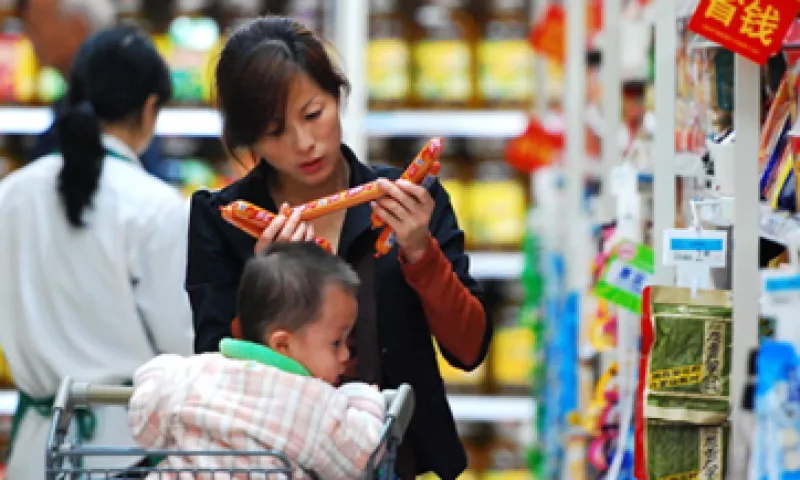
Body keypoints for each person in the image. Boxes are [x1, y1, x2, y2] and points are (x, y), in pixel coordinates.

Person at [186, 16, 491, 479]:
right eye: (274, 131)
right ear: (248, 139)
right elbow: (214, 371)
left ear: (338, 96)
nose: (305, 143)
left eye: (314, 114)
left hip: (400, 461)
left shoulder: (410, 197)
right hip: (271, 465)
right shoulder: (225, 219)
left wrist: (420, 253)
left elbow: (468, 351)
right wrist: (269, 281)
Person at [0, 25, 193, 478]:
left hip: (34, 450)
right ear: (150, 109)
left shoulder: (10, 196)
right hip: (128, 450)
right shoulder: (156, 207)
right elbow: (181, 348)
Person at [130, 242, 387, 479]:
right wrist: (362, 397)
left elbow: (144, 425)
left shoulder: (193, 372)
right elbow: (360, 456)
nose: (345, 356)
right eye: (336, 343)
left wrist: (163, 372)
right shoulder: (312, 403)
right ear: (282, 345)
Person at [16, 0, 169, 179]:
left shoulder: (118, 110)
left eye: (37, 24)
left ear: (77, 27)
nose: (28, 35)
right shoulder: (70, 104)